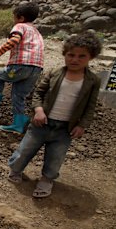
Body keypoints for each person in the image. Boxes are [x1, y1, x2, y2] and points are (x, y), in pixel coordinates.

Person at [7, 32, 102, 198]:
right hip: (41, 123)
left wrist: (82, 125)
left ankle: (47, 179)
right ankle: (15, 170)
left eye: (82, 56)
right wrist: (38, 110)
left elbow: (90, 105)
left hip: (65, 129)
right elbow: (38, 93)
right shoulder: (55, 73)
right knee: (25, 149)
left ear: (91, 58)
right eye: (71, 55)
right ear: (65, 54)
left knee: (56, 156)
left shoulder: (92, 81)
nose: (75, 59)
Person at [0, 2, 45, 134]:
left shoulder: (20, 26)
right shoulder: (36, 31)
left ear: (20, 18)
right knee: (18, 95)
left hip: (20, 65)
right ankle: (18, 123)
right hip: (36, 68)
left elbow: (14, 40)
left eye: (14, 17)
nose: (13, 20)